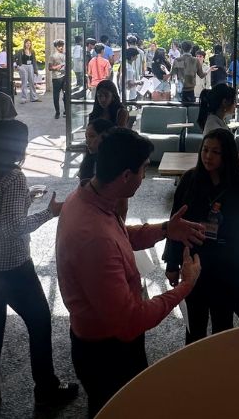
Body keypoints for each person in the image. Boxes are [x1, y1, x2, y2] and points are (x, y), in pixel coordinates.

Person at [56, 128, 205, 417]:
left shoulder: (86, 197)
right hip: (108, 352)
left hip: (97, 338)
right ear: (125, 176)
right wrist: (186, 285)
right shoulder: (94, 237)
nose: (144, 177)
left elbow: (120, 237)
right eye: (142, 170)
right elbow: (130, 321)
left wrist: (165, 230)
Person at [0, 120, 78, 417]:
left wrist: (26, 198)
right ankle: (46, 390)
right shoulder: (12, 177)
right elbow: (12, 228)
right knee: (39, 323)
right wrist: (48, 214)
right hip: (11, 269)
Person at [162, 129, 239, 343]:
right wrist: (172, 264)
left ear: (227, 155)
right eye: (205, 150)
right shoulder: (189, 180)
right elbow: (175, 224)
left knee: (223, 327)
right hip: (193, 261)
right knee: (194, 326)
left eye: (215, 152)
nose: (208, 156)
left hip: (224, 267)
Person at [79, 118, 115, 187]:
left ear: (106, 137)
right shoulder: (90, 160)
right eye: (86, 137)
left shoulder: (114, 164)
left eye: (92, 136)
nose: (87, 142)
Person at [49, 39, 66, 119]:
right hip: (56, 77)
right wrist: (58, 67)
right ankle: (57, 112)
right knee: (56, 96)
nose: (61, 47)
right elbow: (49, 68)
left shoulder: (65, 55)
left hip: (65, 76)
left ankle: (66, 111)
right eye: (59, 46)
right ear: (56, 47)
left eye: (62, 45)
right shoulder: (53, 56)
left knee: (66, 94)